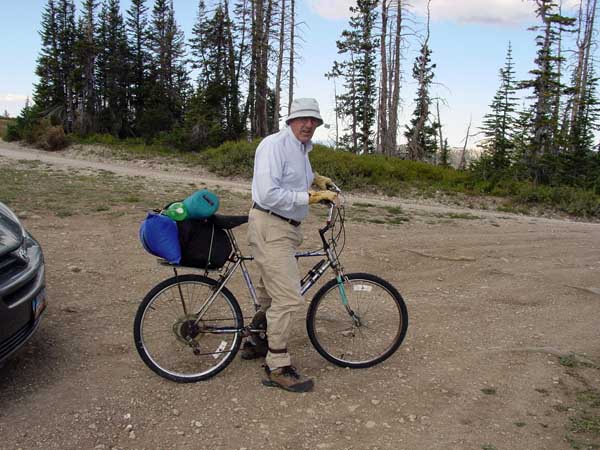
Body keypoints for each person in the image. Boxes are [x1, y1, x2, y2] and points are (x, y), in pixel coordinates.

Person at [245, 98, 337, 393]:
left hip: (284, 228)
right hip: (270, 225)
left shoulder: (301, 149)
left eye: (314, 120)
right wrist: (308, 198)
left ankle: (256, 339)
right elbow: (267, 193)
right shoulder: (274, 145)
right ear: (291, 120)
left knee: (270, 290)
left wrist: (317, 180)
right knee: (287, 297)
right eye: (303, 119)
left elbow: (296, 177)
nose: (309, 124)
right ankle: (278, 366)